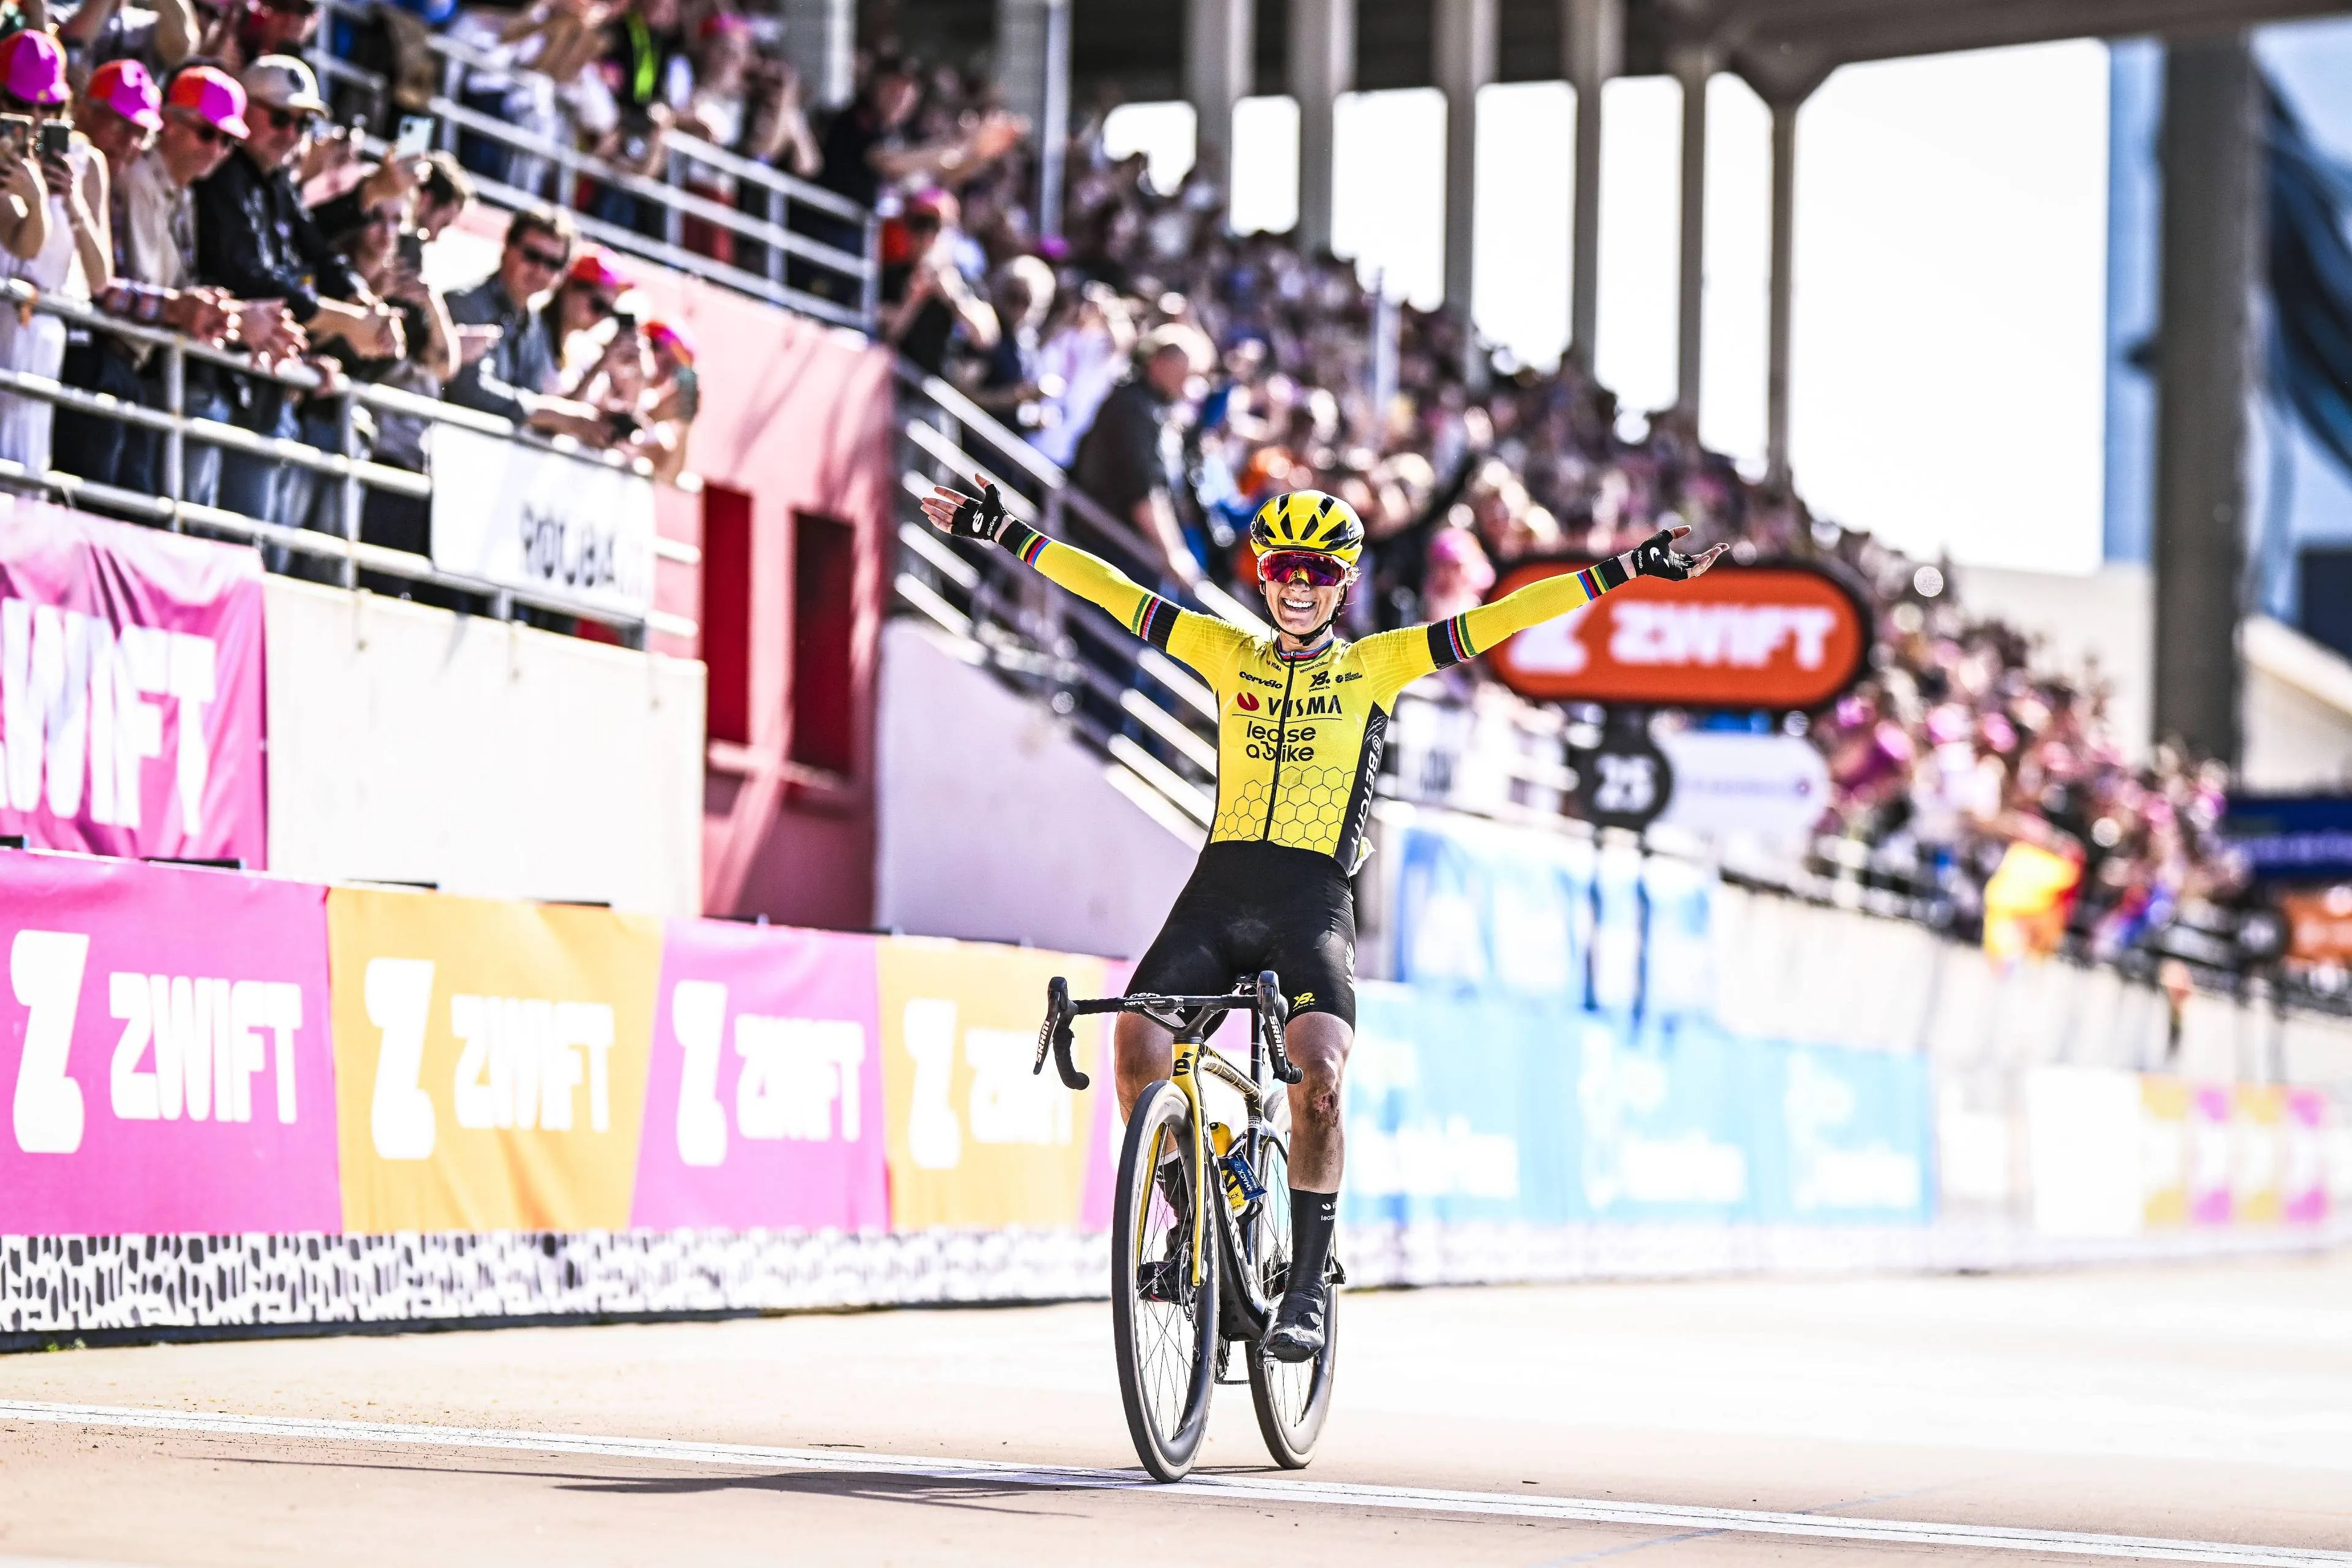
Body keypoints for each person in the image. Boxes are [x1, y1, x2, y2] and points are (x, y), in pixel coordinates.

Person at [919, 478, 1727, 1361]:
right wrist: (1002, 529)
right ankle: (1194, 1227)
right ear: (1262, 577)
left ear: (1343, 582)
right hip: (1218, 888)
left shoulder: (1376, 665)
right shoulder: (1225, 651)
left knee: (1320, 1077)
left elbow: (1506, 616)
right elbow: (1111, 587)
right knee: (1138, 1051)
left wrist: (1630, 568)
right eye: (1281, 566)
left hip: (1312, 902)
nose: (1297, 583)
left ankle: (1305, 1286)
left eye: (1317, 568)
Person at [193, 54, 401, 524]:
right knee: (206, 534)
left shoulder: (274, 180)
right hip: (214, 376)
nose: (290, 134)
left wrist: (363, 302)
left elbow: (316, 251)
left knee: (247, 540)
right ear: (245, 109)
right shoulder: (225, 170)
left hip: (254, 381)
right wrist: (349, 321)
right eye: (281, 118)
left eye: (302, 124)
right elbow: (249, 276)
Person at [0, 29, 111, 475]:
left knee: (29, 470)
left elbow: (101, 278)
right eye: (19, 102)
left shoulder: (84, 161)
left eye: (49, 107)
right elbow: (20, 240)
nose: (35, 117)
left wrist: (72, 202)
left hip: (44, 329)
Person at [442, 208, 610, 443]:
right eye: (532, 256)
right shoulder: (465, 304)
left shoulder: (537, 326)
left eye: (553, 263)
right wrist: (551, 413)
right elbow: (469, 393)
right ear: (507, 248)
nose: (541, 271)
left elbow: (537, 405)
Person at [1070, 322, 1212, 589]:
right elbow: (1143, 490)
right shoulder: (1133, 408)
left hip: (1127, 547)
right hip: (1110, 544)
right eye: (1185, 374)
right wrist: (1174, 553)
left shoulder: (1157, 411)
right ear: (1158, 362)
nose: (1189, 386)